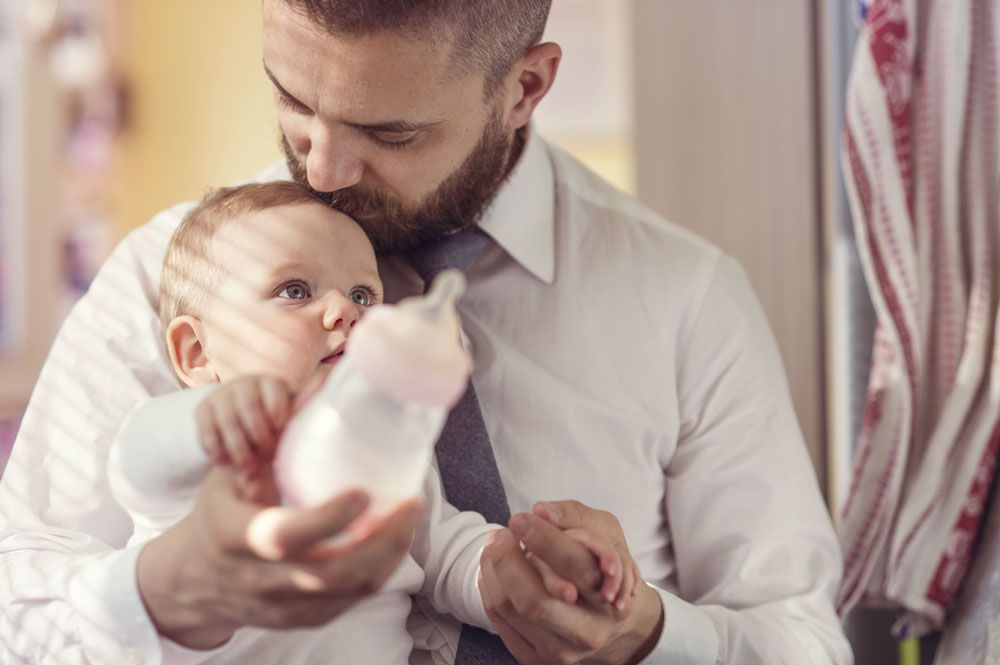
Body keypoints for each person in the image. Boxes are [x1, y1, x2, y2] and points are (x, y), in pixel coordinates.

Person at [0, 1, 853, 664]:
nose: (324, 169)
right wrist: (172, 591)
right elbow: (16, 617)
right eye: (291, 97)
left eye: (389, 131)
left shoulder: (688, 300)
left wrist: (649, 633)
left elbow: (806, 641)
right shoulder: (173, 275)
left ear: (525, 87)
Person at [102, 180, 634, 663]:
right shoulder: (196, 447)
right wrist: (207, 420)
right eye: (295, 291)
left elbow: (444, 552)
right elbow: (135, 461)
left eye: (363, 295)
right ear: (197, 353)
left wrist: (521, 567)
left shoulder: (384, 449)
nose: (345, 311)